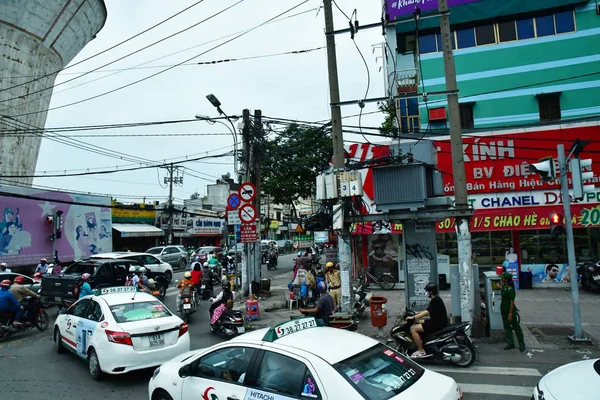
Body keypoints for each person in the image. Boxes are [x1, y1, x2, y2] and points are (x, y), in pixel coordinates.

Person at [407, 283, 448, 358]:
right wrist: (416, 313)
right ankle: (422, 341)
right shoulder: (437, 299)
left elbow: (427, 312)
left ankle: (421, 350)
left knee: (413, 328)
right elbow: (429, 310)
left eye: (427, 291)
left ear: (430, 292)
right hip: (438, 321)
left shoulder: (435, 300)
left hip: (437, 324)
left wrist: (414, 317)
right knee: (419, 321)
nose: (427, 293)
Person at [500, 272, 525, 352]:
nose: (501, 279)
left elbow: (512, 302)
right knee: (507, 327)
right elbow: (504, 291)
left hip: (510, 311)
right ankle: (510, 343)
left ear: (506, 279)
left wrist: (510, 314)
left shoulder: (511, 289)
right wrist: (500, 287)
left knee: (516, 327)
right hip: (503, 310)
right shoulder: (505, 287)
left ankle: (521, 344)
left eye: (503, 278)